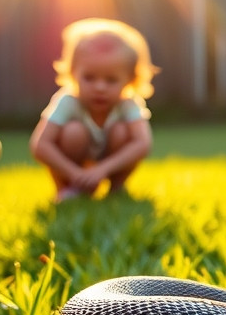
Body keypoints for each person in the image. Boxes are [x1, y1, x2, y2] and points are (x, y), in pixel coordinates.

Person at [30, 19, 156, 201]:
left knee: (122, 132)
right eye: (89, 77)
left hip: (110, 160)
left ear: (130, 79)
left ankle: (117, 189)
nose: (100, 87)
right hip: (74, 164)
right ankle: (66, 189)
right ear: (73, 72)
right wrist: (74, 173)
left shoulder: (128, 104)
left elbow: (143, 144)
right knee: (74, 132)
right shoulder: (67, 101)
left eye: (111, 80)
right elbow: (40, 145)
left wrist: (103, 169)